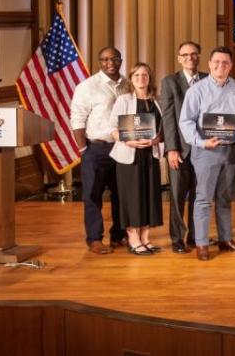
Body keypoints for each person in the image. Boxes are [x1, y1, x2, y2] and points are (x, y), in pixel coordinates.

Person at [178, 46, 235, 261]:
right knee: (203, 198)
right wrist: (200, 141)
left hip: (232, 149)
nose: (221, 66)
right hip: (206, 151)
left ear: (231, 66)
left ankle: (225, 239)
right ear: (209, 64)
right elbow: (186, 121)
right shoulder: (196, 90)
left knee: (225, 197)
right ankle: (201, 243)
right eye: (216, 62)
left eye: (225, 63)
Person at [70, 46, 130, 254]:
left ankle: (119, 235)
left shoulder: (127, 85)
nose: (110, 63)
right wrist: (83, 149)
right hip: (96, 148)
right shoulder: (87, 86)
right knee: (92, 196)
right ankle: (94, 239)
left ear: (120, 60)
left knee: (121, 194)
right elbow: (77, 118)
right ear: (99, 62)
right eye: (105, 60)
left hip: (122, 148)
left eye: (114, 59)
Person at [109, 62, 164, 256]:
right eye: (137, 75)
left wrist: (158, 138)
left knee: (149, 196)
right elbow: (112, 129)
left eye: (145, 75)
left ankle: (145, 237)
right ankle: (133, 239)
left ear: (150, 78)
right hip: (129, 156)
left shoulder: (156, 101)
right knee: (132, 198)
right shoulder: (124, 100)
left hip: (150, 155)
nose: (141, 78)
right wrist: (128, 141)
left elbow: (161, 129)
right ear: (131, 79)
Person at [159, 41, 205, 254]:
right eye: (185, 55)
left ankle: (196, 237)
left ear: (199, 56)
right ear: (179, 58)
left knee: (200, 196)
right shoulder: (170, 82)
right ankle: (177, 239)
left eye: (193, 54)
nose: (189, 58)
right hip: (180, 150)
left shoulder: (208, 79)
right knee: (177, 197)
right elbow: (168, 117)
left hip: (204, 149)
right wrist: (171, 149)